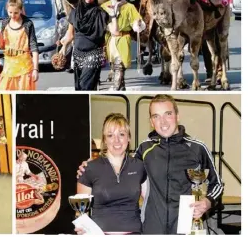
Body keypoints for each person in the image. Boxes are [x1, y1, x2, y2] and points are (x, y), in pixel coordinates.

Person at [78, 95, 224, 234]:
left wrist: (208, 202)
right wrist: (91, 165)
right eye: (156, 116)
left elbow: (217, 183)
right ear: (151, 122)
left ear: (177, 116)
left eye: (168, 114)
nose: (163, 122)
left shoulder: (197, 148)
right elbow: (122, 167)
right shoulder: (145, 148)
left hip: (184, 226)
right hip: (151, 228)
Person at [75, 113, 146, 234]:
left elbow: (150, 202)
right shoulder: (89, 168)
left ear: (129, 138)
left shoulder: (139, 166)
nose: (116, 140)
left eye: (122, 134)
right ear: (104, 140)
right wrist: (81, 225)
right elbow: (81, 211)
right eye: (110, 135)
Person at [59, 0, 110, 91]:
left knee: (86, 85)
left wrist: (113, 16)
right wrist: (63, 48)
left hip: (94, 52)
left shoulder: (100, 13)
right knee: (79, 87)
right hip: (78, 53)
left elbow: (110, 31)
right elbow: (70, 33)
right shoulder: (74, 13)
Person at [102, 0, 145, 91]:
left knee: (119, 65)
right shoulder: (104, 6)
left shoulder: (129, 7)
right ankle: (122, 87)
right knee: (115, 65)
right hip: (110, 39)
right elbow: (100, 22)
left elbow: (136, 21)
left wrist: (138, 24)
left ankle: (116, 88)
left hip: (123, 39)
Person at [0, 0, 38, 90]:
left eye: (16, 13)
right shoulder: (5, 23)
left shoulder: (28, 24)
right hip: (9, 66)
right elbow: (2, 46)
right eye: (10, 12)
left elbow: (34, 47)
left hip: (24, 67)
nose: (13, 15)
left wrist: (35, 69)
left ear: (21, 10)